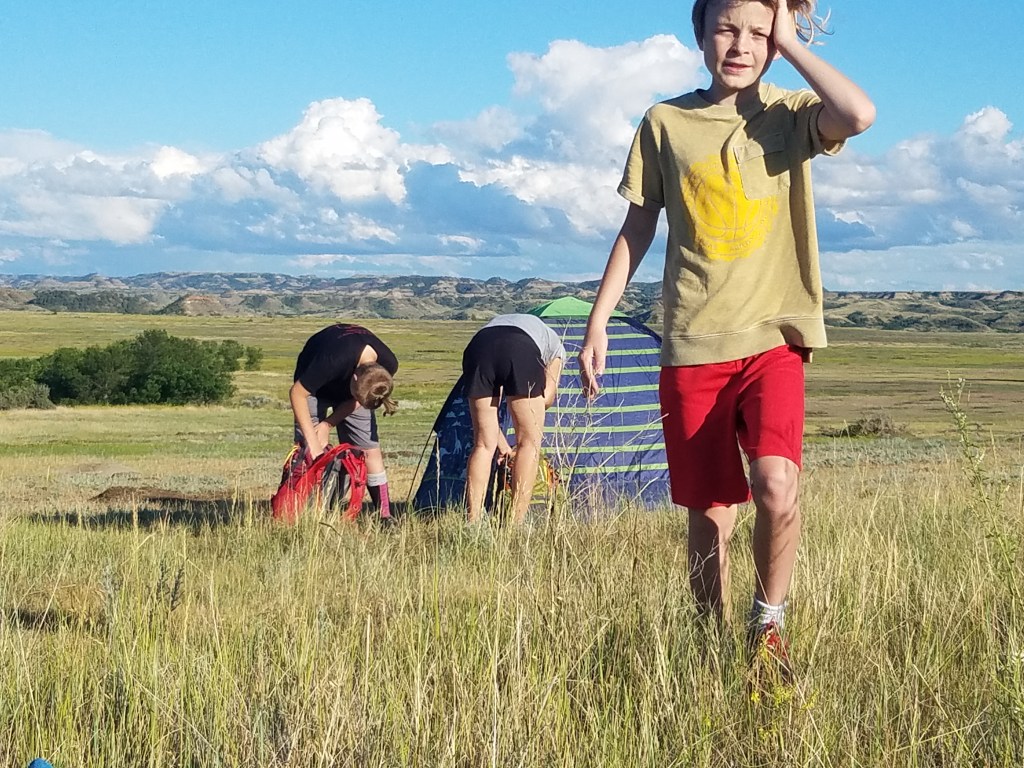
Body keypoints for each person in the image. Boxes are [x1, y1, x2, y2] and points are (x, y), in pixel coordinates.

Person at [578, 0, 875, 672]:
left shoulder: (793, 114)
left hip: (774, 336)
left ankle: (768, 624)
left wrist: (791, 44)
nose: (740, 44)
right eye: (726, 28)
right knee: (709, 512)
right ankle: (709, 647)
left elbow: (858, 115)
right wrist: (599, 319)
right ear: (701, 34)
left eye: (757, 31)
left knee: (775, 485)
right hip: (691, 342)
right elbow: (638, 227)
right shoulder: (665, 123)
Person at [462, 314, 566, 524]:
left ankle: (472, 523)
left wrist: (502, 445)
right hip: (520, 348)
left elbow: (489, 417)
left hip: (478, 346)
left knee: (483, 445)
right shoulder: (558, 350)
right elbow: (546, 397)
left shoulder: (502, 324)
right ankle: (515, 524)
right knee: (529, 444)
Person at [289, 323, 398, 519]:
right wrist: (314, 444)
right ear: (354, 377)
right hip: (312, 390)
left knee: (368, 449)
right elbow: (297, 394)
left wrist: (328, 424)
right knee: (308, 449)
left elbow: (359, 400)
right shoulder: (331, 360)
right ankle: (303, 510)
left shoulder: (387, 366)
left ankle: (384, 515)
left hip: (352, 394)